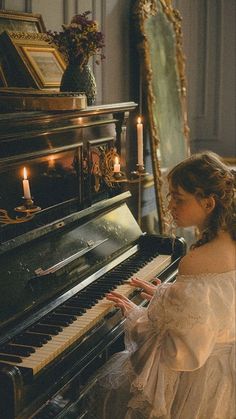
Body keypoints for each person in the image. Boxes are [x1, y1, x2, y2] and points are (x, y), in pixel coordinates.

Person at [87, 151, 236, 419]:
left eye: (178, 199)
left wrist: (137, 316)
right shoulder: (228, 244)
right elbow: (218, 304)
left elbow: (179, 353)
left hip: (201, 382)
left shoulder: (198, 261)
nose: (170, 206)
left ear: (208, 203)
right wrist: (170, 298)